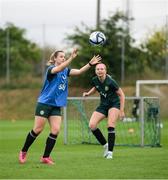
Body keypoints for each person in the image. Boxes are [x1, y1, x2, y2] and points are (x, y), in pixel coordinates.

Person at [19, 48, 101, 165]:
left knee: (56, 130)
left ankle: (45, 157)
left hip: (56, 105)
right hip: (45, 103)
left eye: (64, 56)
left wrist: (89, 64)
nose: (63, 58)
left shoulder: (65, 70)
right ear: (55, 59)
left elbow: (79, 72)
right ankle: (23, 151)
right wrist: (71, 58)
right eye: (61, 56)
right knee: (37, 129)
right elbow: (60, 68)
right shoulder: (51, 70)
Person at [83, 63, 125, 159]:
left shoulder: (111, 82)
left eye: (102, 69)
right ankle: (105, 145)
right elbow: (96, 87)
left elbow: (122, 94)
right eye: (98, 69)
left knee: (110, 125)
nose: (100, 71)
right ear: (95, 71)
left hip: (114, 104)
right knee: (92, 125)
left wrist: (121, 110)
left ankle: (110, 152)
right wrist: (88, 93)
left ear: (105, 71)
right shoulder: (94, 80)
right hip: (103, 105)